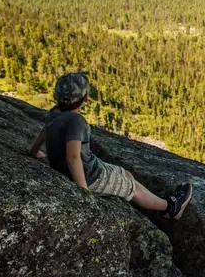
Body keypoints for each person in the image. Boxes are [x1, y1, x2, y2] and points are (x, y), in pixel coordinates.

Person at [28, 72, 193, 220]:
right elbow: (73, 158)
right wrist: (83, 193)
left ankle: (156, 201)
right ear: (85, 98)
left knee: (126, 174)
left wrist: (34, 152)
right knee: (131, 188)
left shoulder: (54, 113)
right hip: (90, 176)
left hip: (86, 166)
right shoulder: (76, 121)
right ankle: (171, 208)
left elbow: (44, 133)